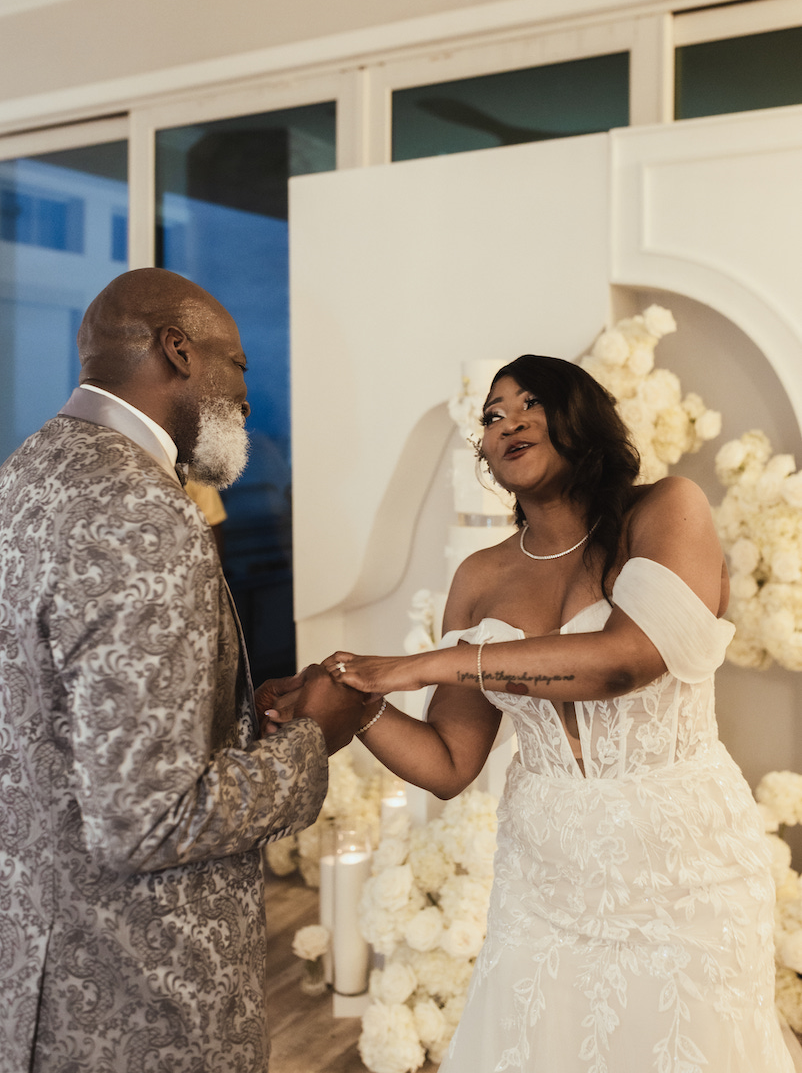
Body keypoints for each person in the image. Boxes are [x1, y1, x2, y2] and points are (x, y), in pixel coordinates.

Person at [318, 354, 797, 1071]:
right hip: (543, 881)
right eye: (492, 415)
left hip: (686, 871)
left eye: (530, 403)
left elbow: (626, 660)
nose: (508, 422)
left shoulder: (665, 511)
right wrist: (354, 701)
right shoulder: (479, 577)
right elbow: (449, 763)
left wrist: (424, 664)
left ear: (580, 414)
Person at [0, 267, 364, 1073]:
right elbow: (147, 819)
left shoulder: (26, 475)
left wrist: (228, 717)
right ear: (178, 350)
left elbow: (58, 717)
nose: (248, 397)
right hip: (134, 993)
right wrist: (313, 738)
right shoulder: (141, 510)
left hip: (30, 965)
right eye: (238, 366)